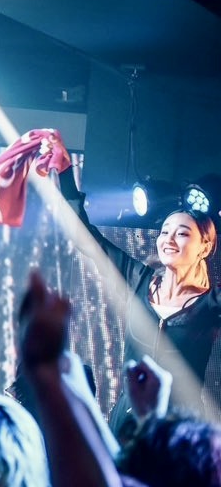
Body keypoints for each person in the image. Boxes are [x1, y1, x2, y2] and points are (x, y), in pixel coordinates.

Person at [58, 169, 221, 422]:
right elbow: (86, 239)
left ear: (205, 246)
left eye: (182, 233)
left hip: (178, 429)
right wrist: (64, 173)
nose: (169, 239)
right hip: (127, 421)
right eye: (165, 231)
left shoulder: (210, 304)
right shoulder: (138, 280)